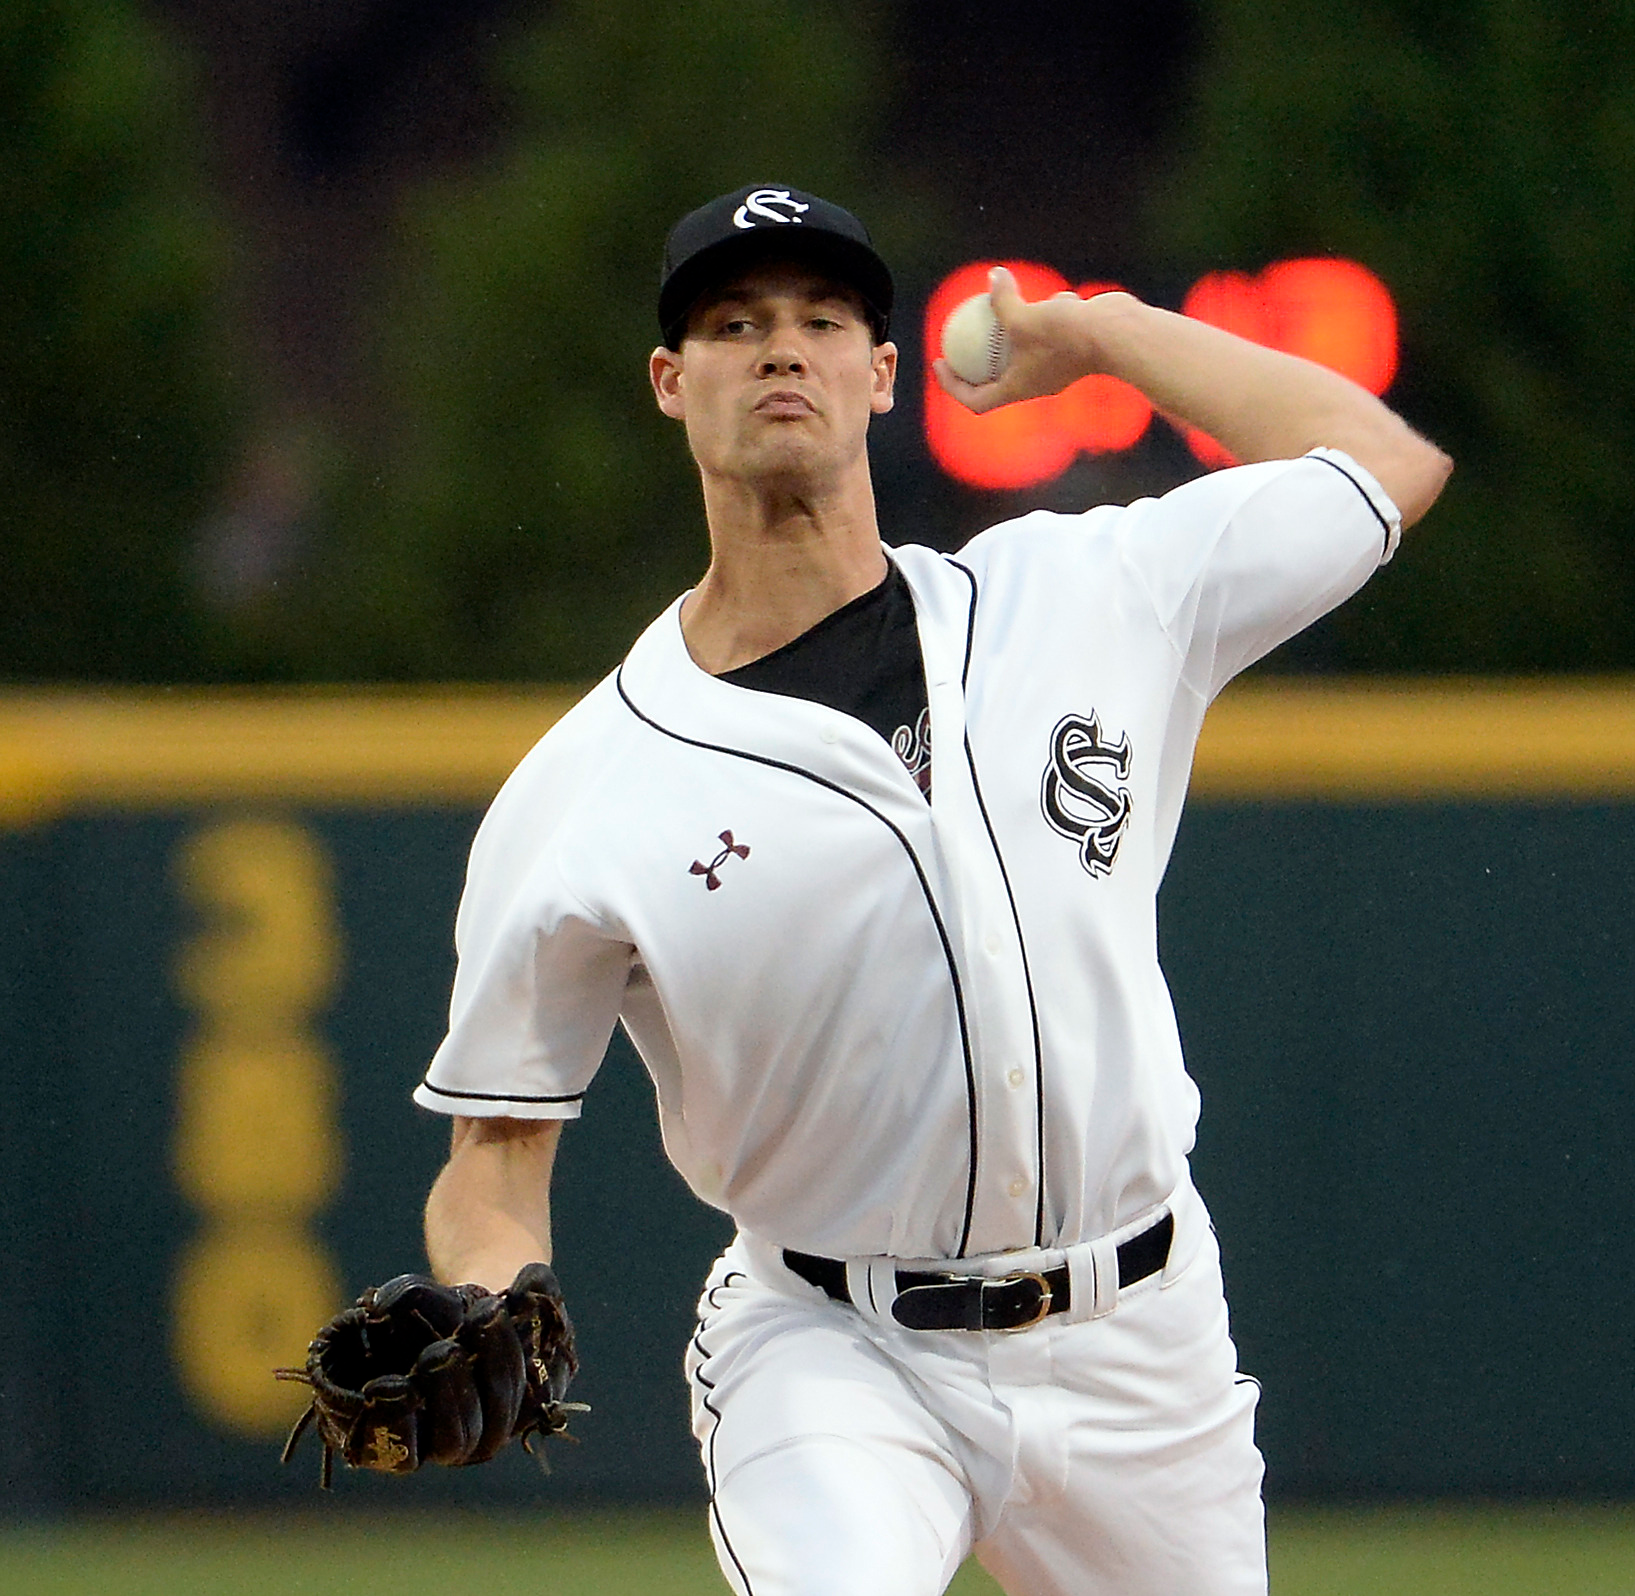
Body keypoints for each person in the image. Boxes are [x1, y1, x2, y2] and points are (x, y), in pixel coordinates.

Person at [414, 183, 1451, 1596]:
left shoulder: (1088, 594)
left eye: (820, 319)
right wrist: (489, 1297)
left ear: (879, 373)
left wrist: (1101, 332)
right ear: (671, 382)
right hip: (836, 1348)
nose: (781, 349)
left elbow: (1378, 462)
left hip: (1140, 1336)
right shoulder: (583, 789)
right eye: (733, 325)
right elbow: (494, 1159)